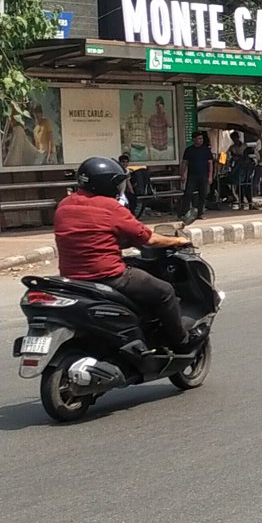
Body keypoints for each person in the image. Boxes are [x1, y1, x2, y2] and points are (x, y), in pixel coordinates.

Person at [55, 157, 191, 353]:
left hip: (71, 277)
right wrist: (178, 241)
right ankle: (181, 341)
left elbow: (89, 234)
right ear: (106, 183)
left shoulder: (65, 205)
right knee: (164, 291)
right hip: (108, 276)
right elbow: (148, 239)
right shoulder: (110, 207)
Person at [180, 131, 214, 222]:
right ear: (194, 139)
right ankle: (184, 213)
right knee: (188, 194)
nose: (200, 140)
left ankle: (200, 213)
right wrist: (182, 174)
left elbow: (210, 163)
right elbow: (184, 163)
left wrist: (210, 176)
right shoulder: (189, 150)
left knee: (203, 194)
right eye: (199, 139)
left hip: (203, 176)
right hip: (192, 176)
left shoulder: (206, 150)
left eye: (201, 139)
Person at [122, 92, 150, 163]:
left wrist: (149, 150)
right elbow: (126, 133)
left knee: (144, 170)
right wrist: (127, 148)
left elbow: (147, 133)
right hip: (134, 148)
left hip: (143, 149)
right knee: (135, 171)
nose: (141, 102)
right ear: (135, 101)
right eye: (140, 100)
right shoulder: (129, 116)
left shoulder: (145, 117)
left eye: (142, 100)